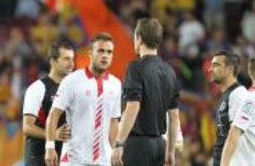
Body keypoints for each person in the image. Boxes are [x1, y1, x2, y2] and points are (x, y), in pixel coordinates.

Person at [44, 33, 121, 166]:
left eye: (109, 52)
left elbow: (114, 122)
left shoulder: (116, 84)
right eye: (101, 51)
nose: (105, 55)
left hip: (104, 160)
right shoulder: (71, 81)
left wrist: (116, 149)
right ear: (90, 53)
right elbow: (53, 115)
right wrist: (50, 147)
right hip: (75, 160)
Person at [111, 18, 180, 166]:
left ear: (139, 38)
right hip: (160, 145)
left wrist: (119, 144)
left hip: (138, 146)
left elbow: (133, 107)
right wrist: (170, 151)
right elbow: (174, 117)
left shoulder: (135, 67)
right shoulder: (170, 72)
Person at [22, 40, 74, 166]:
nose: (71, 63)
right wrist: (53, 135)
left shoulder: (74, 89)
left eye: (72, 59)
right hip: (39, 157)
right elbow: (27, 127)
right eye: (66, 59)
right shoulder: (37, 88)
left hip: (66, 157)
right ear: (53, 61)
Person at [209, 50, 248, 166]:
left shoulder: (238, 94)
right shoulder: (228, 95)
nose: (210, 69)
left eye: (216, 65)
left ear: (230, 69)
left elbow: (235, 135)